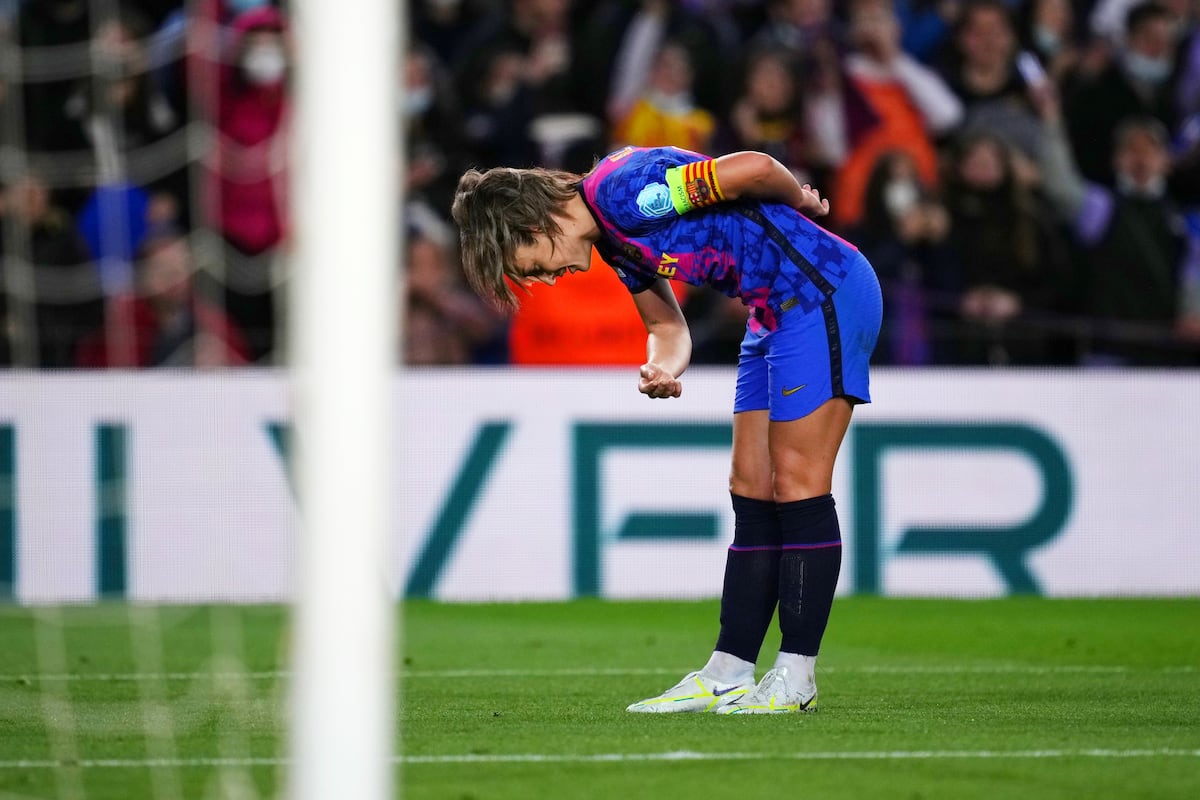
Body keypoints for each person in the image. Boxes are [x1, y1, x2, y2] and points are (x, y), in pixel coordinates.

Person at [451, 145, 883, 714]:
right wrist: (663, 367)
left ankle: (796, 675)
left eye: (531, 266)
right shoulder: (613, 237)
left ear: (532, 226)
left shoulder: (625, 195)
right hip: (772, 312)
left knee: (798, 482)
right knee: (751, 487)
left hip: (820, 293)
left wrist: (797, 199)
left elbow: (753, 170)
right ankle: (729, 671)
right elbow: (666, 326)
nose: (547, 279)